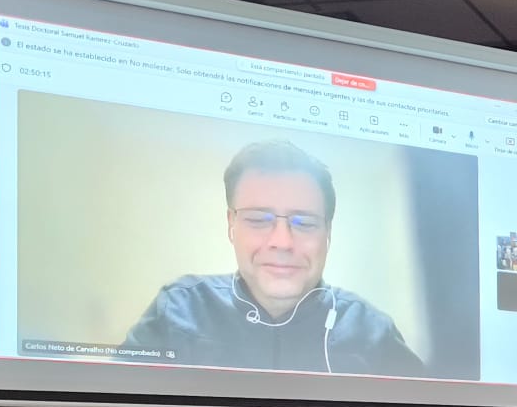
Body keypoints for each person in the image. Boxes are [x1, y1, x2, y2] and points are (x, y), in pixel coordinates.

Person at [122, 140, 424, 378]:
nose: (282, 242)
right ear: (231, 224)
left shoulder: (372, 333)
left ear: (327, 233)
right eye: (258, 220)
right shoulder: (177, 312)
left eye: (304, 223)